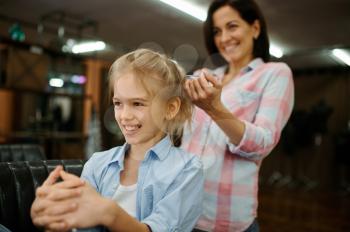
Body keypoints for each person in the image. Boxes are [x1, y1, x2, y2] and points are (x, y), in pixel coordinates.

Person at [31, 48, 204, 232]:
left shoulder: (187, 169)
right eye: (118, 104)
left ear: (170, 108)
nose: (125, 116)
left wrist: (110, 212)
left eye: (137, 103)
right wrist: (53, 219)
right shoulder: (97, 164)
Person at [181, 0, 294, 231]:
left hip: (226, 219)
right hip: (181, 210)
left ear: (255, 28)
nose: (223, 38)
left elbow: (262, 142)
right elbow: (184, 139)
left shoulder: (274, 74)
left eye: (232, 26)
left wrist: (214, 108)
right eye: (217, 31)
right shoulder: (206, 76)